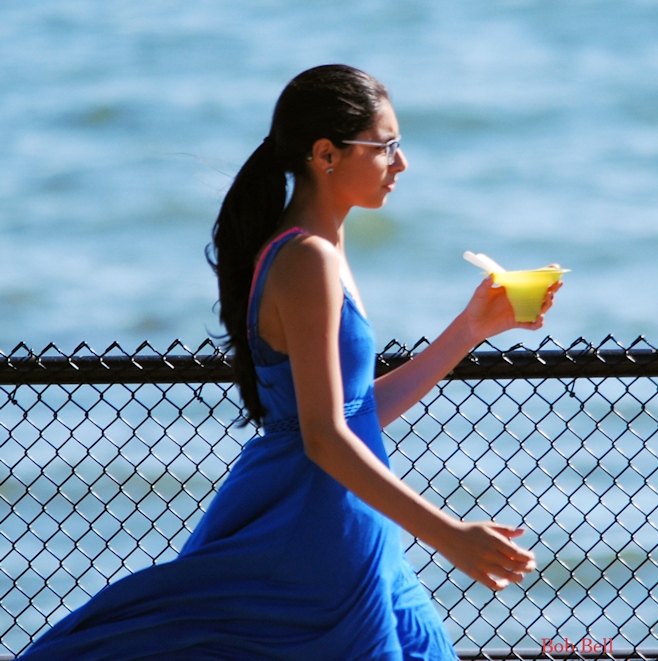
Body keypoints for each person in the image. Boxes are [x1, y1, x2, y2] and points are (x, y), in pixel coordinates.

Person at [21, 64, 560, 660]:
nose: (400, 164)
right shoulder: (307, 258)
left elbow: (352, 412)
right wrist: (448, 536)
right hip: (316, 528)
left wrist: (470, 329)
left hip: (344, 519)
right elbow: (325, 438)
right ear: (325, 154)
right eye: (385, 147)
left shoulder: (322, 248)